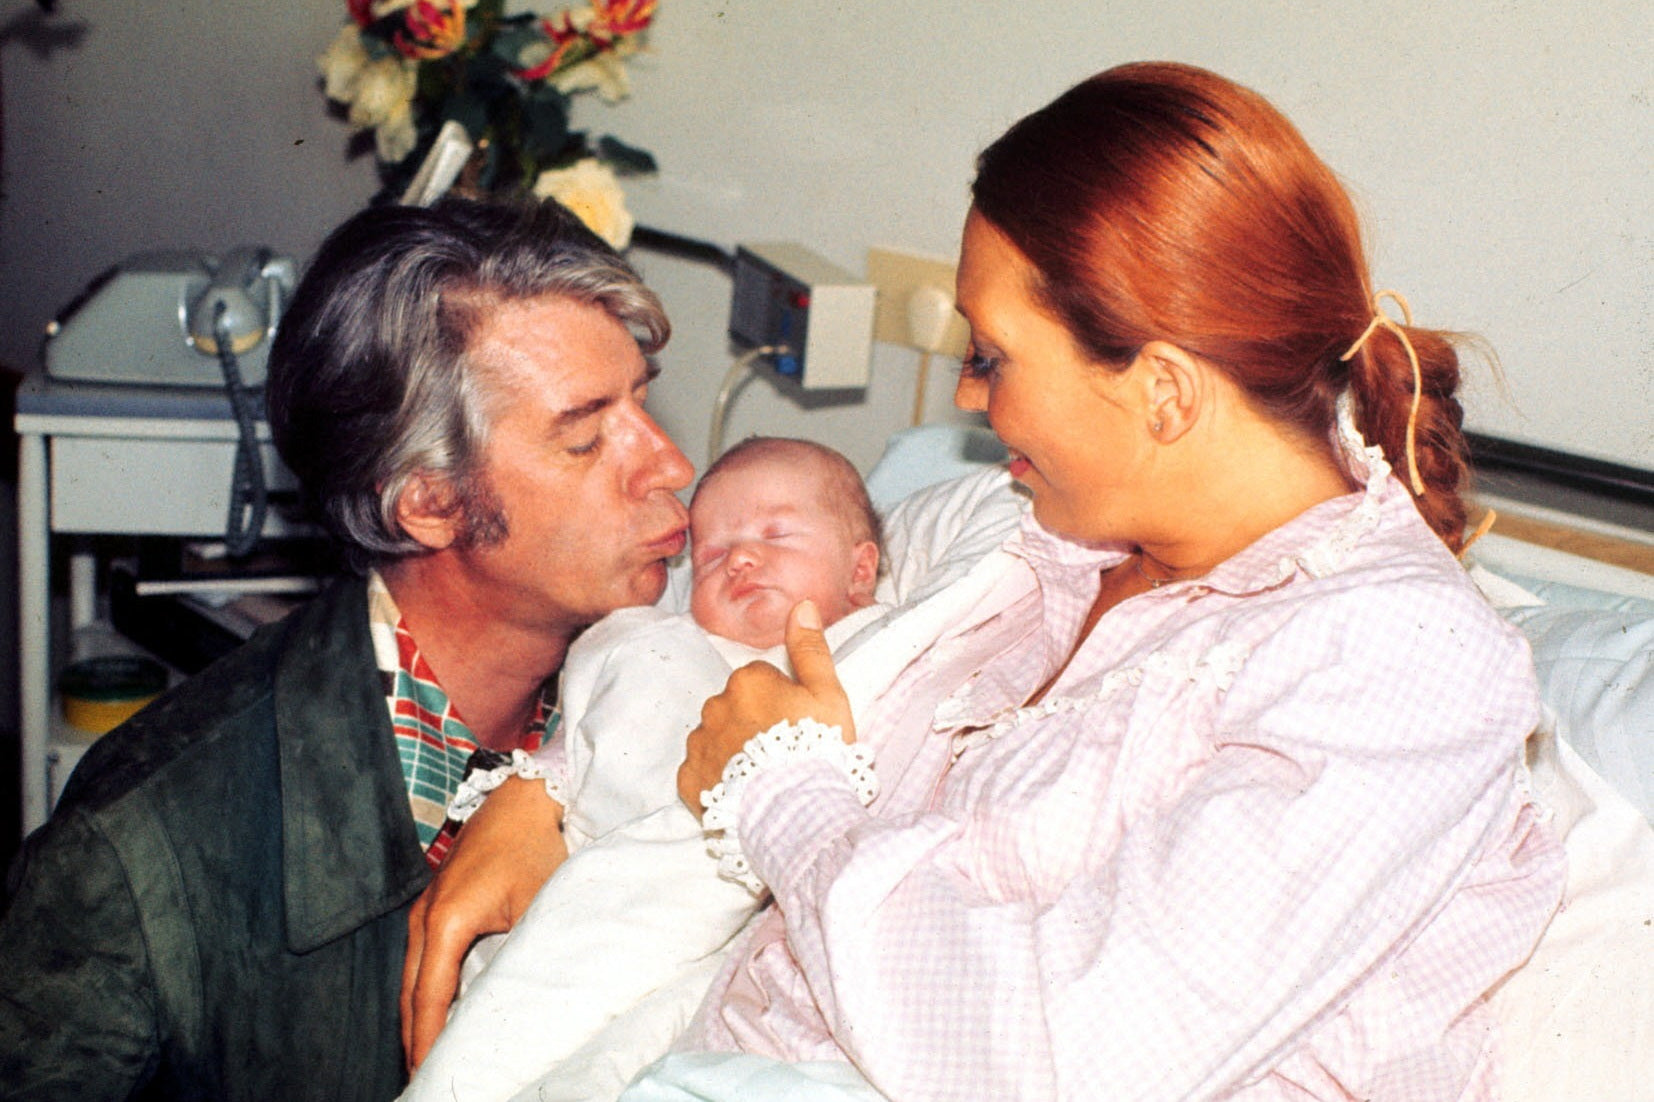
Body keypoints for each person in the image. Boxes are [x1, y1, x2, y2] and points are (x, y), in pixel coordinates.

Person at [422, 63, 1571, 1102]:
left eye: (992, 358)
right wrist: (544, 786)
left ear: (1162, 393)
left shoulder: (1392, 668)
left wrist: (784, 794)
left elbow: (1057, 1058)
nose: (967, 403)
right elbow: (739, 611)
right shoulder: (1018, 524)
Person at [0, 195, 694, 1101]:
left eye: (641, 399)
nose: (672, 464)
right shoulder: (135, 852)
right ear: (430, 503)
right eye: (586, 435)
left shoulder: (681, 675)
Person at [403, 436, 888, 1101]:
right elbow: (597, 733)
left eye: (777, 535)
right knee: (504, 1015)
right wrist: (543, 782)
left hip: (726, 928)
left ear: (862, 572)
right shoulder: (657, 643)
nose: (740, 557)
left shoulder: (874, 652)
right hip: (588, 889)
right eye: (713, 552)